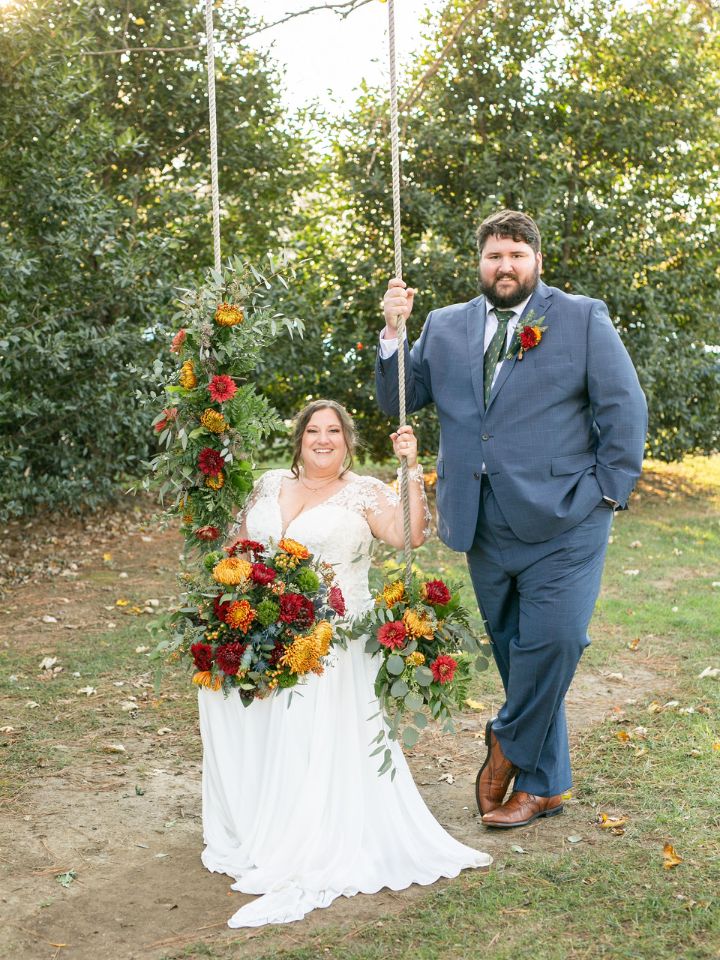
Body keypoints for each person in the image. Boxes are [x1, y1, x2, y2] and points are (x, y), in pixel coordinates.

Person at [376, 209, 648, 829]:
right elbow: (404, 393)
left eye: (517, 256)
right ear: (480, 263)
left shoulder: (580, 317)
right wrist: (394, 333)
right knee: (514, 653)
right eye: (496, 256)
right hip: (481, 520)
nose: (506, 266)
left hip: (567, 518)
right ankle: (546, 785)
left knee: (556, 641)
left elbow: (624, 407)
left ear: (537, 262)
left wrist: (610, 491)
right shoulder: (444, 327)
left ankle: (506, 744)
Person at [198, 399, 491, 927]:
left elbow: (410, 537)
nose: (323, 439)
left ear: (348, 440)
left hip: (335, 636)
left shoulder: (365, 492)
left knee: (310, 717)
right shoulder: (268, 485)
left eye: (333, 430)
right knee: (224, 692)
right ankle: (263, 818)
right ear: (300, 438)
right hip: (266, 625)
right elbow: (239, 545)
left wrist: (410, 470)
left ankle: (308, 831)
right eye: (313, 430)